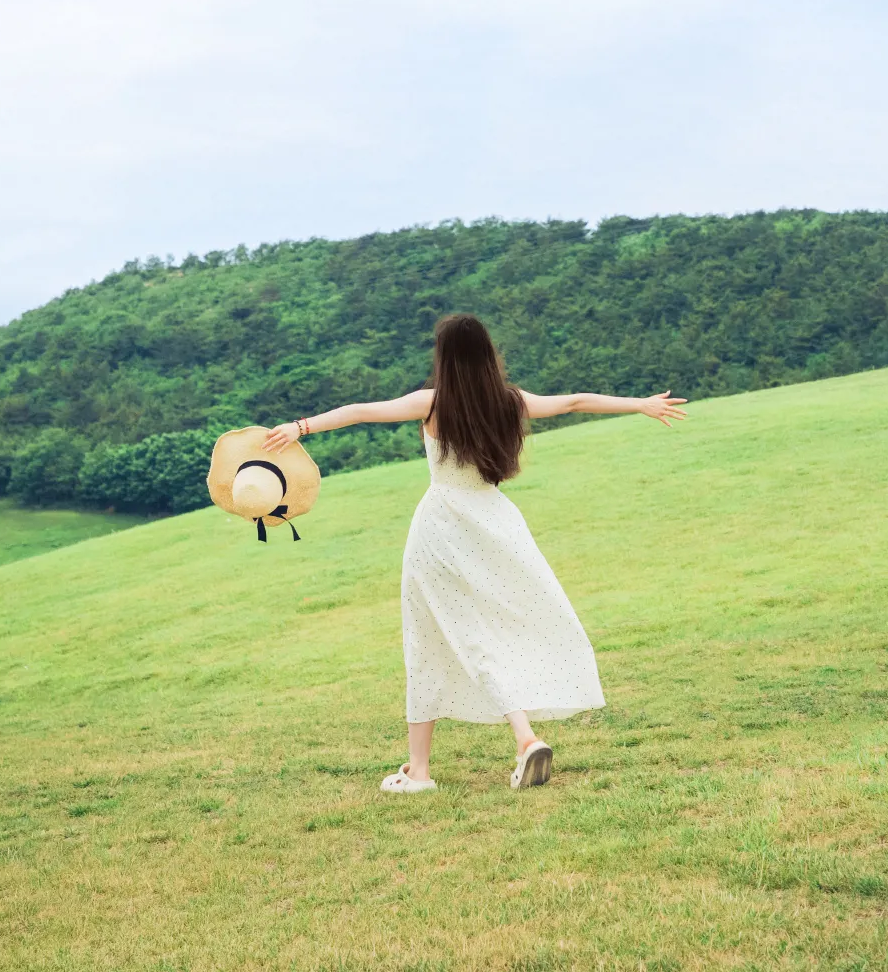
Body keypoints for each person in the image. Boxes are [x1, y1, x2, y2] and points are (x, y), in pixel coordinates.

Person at [264, 313, 685, 793]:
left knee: (428, 639)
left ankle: (442, 765)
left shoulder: (432, 402)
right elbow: (574, 401)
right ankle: (510, 742)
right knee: (490, 631)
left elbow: (359, 410)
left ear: (443, 358)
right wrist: (642, 405)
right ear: (489, 354)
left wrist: (301, 427)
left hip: (441, 529)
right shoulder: (509, 401)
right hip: (497, 524)